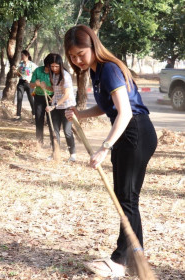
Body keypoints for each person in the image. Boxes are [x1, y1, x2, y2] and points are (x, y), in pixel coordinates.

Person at [64, 25, 157, 277]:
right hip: (130, 133)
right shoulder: (97, 71)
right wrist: (80, 114)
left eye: (80, 54)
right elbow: (108, 107)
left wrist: (104, 148)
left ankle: (120, 260)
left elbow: (125, 112)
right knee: (127, 197)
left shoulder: (110, 70)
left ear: (93, 46)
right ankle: (135, 257)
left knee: (125, 198)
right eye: (72, 56)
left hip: (135, 132)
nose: (76, 60)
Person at [44, 53, 76, 161]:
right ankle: (55, 153)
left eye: (56, 66)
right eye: (52, 66)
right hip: (56, 106)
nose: (54, 68)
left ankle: (72, 154)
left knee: (67, 131)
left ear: (61, 65)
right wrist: (45, 86)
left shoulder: (66, 76)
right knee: (54, 130)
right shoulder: (52, 75)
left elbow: (66, 94)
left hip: (67, 106)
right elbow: (55, 89)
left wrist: (55, 105)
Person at [30, 54, 55, 146]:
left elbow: (55, 88)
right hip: (38, 97)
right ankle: (39, 142)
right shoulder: (38, 70)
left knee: (51, 120)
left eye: (51, 67)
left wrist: (46, 87)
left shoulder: (54, 72)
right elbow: (31, 84)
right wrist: (36, 84)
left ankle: (53, 142)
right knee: (39, 119)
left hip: (51, 98)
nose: (49, 69)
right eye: (48, 66)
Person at [15, 50, 37, 120]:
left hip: (29, 84)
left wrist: (32, 80)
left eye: (23, 55)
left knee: (31, 99)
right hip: (21, 83)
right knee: (19, 98)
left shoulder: (32, 65)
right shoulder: (20, 64)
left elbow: (37, 73)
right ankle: (18, 115)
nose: (22, 57)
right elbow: (18, 74)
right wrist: (16, 72)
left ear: (27, 56)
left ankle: (34, 114)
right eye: (21, 55)